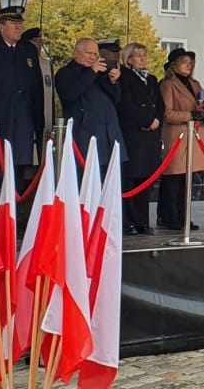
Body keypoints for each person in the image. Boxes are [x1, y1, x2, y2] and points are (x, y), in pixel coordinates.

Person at [0, 5, 45, 192]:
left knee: (20, 168)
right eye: (14, 23)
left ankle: (15, 214)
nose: (19, 27)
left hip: (23, 120)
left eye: (20, 23)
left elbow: (37, 88)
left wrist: (39, 123)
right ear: (1, 26)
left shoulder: (28, 50)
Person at [55, 37, 125, 183]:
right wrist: (92, 72)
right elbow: (70, 94)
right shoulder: (65, 73)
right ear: (76, 53)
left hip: (108, 136)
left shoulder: (99, 74)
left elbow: (116, 100)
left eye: (95, 54)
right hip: (84, 137)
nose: (93, 57)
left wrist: (113, 82)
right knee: (85, 184)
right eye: (89, 53)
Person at [157, 47, 204, 231]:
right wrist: (191, 115)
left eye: (191, 63)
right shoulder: (168, 84)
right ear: (174, 65)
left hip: (193, 137)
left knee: (187, 180)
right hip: (177, 138)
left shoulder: (195, 84)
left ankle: (183, 215)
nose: (190, 65)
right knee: (173, 179)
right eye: (185, 62)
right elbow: (167, 113)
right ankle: (169, 216)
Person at [115, 42, 162, 235]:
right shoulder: (123, 78)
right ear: (128, 59)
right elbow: (126, 105)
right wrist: (146, 120)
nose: (143, 58)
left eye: (144, 55)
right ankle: (128, 222)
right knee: (131, 180)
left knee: (145, 181)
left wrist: (157, 119)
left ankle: (143, 220)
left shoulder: (151, 79)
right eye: (138, 55)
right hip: (134, 135)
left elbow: (160, 103)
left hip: (150, 137)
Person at [23, 27, 57, 146]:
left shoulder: (47, 63)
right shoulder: (24, 63)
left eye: (41, 41)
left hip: (47, 118)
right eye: (36, 41)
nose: (39, 44)